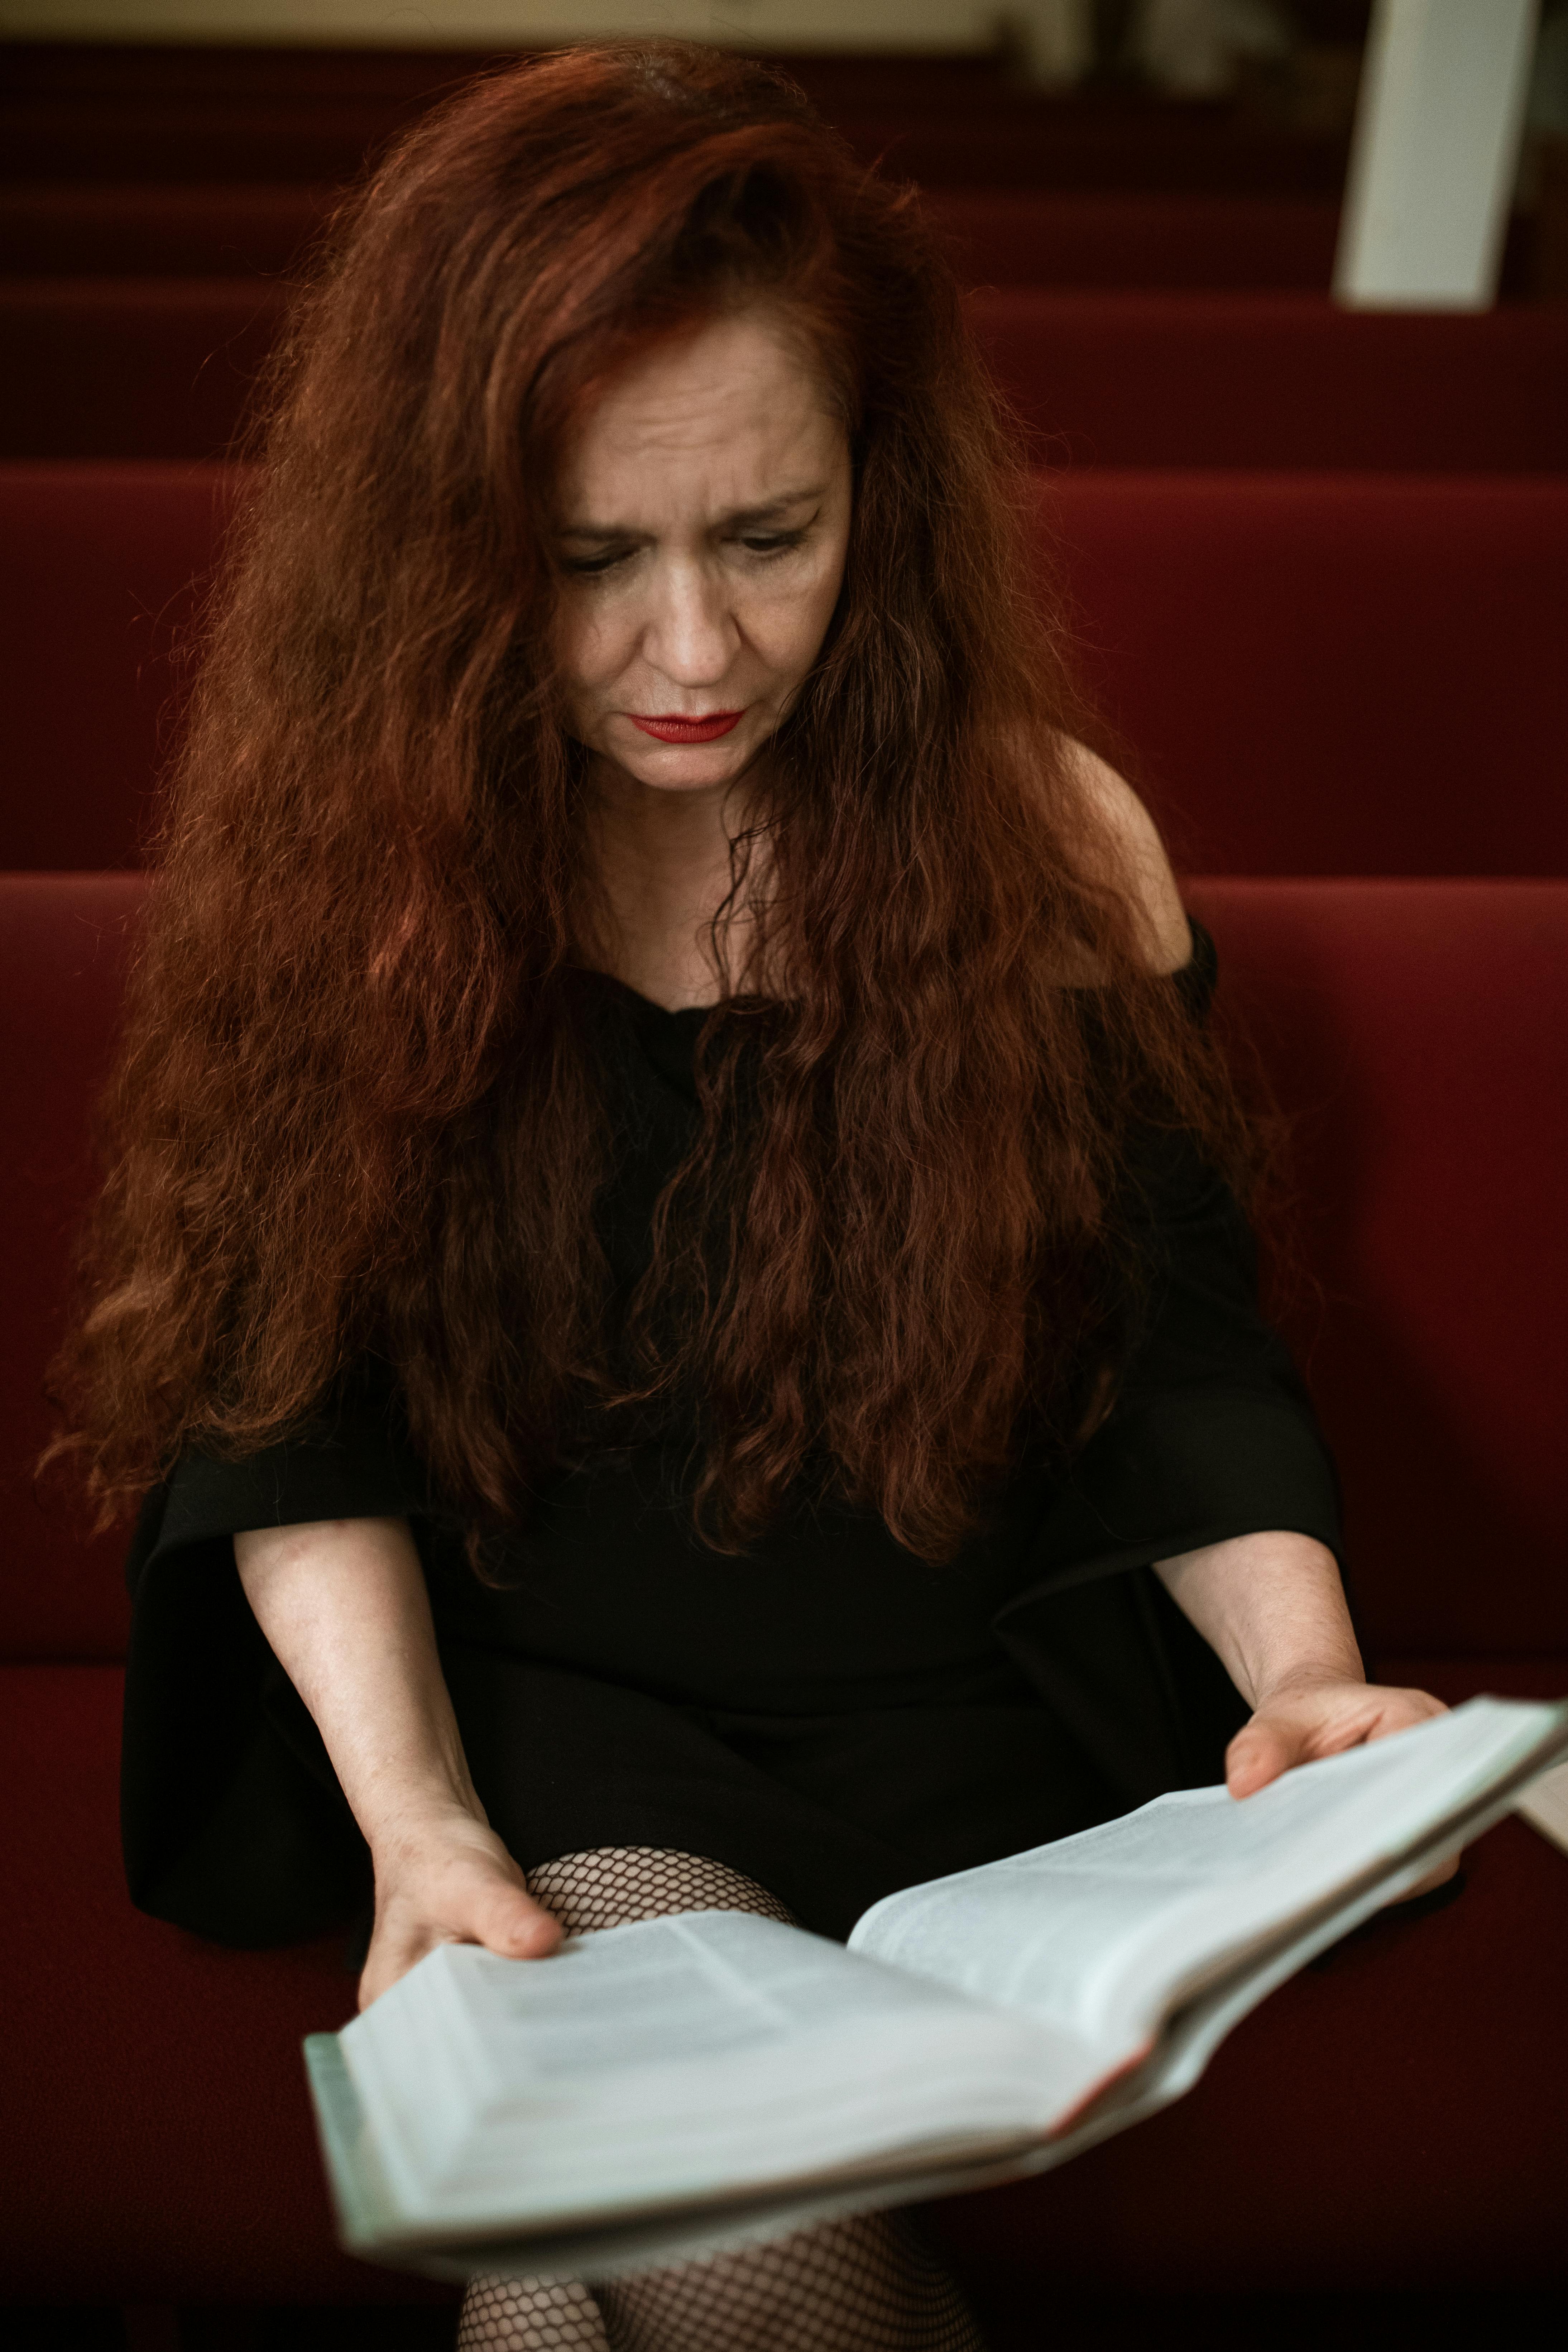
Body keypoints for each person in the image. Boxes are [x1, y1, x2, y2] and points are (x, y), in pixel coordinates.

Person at [51, 41, 1449, 2352]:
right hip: (586, 1740)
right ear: (451, 540)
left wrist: (1302, 1681)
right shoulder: (369, 879)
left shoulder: (1049, 840)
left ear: (875, 504)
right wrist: (417, 1829)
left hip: (987, 1746)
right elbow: (283, 1413)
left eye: (767, 540)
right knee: (683, 2220)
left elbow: (1181, 1352)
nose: (691, 654)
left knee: (548, 2294)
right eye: (591, 558)